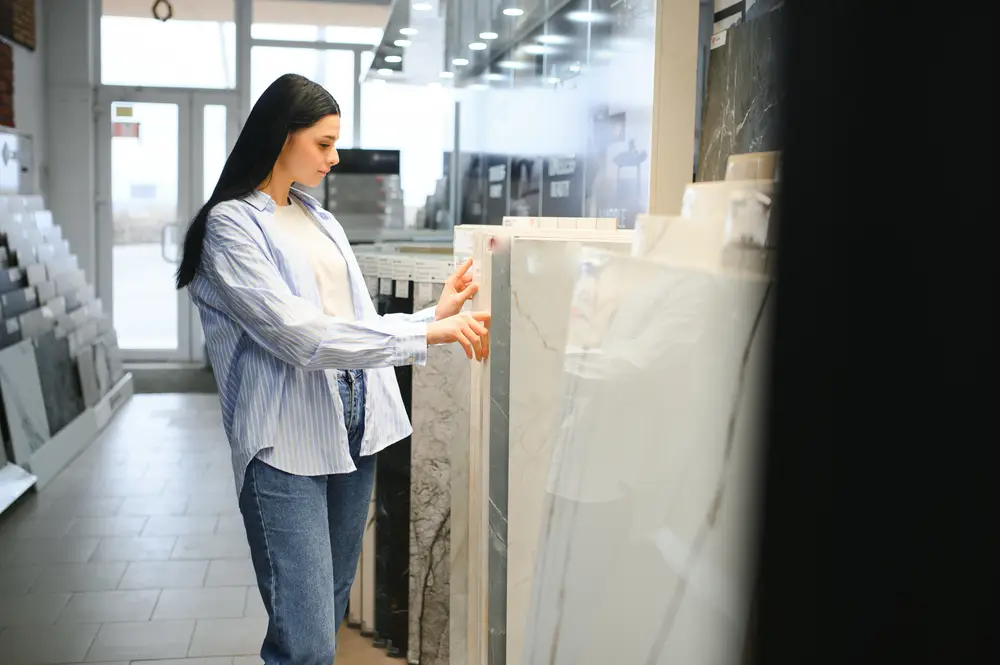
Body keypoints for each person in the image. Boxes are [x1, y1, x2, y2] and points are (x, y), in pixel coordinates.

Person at [174, 73, 490, 664]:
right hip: (283, 445)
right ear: (280, 136)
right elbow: (301, 336)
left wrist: (434, 312)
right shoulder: (230, 225)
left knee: (325, 613)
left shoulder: (317, 217)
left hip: (353, 430)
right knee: (307, 640)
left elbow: (353, 320)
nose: (335, 156)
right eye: (323, 142)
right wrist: (423, 332)